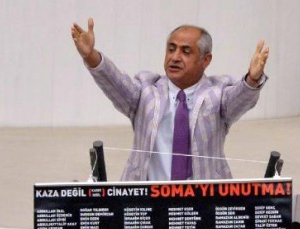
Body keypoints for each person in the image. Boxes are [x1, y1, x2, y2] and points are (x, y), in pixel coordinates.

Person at [71, 18, 269, 181]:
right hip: (148, 201)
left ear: (205, 60)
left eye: (185, 51)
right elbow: (115, 82)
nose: (175, 57)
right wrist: (91, 56)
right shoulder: (146, 91)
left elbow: (239, 99)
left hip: (203, 203)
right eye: (171, 49)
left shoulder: (218, 93)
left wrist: (252, 79)